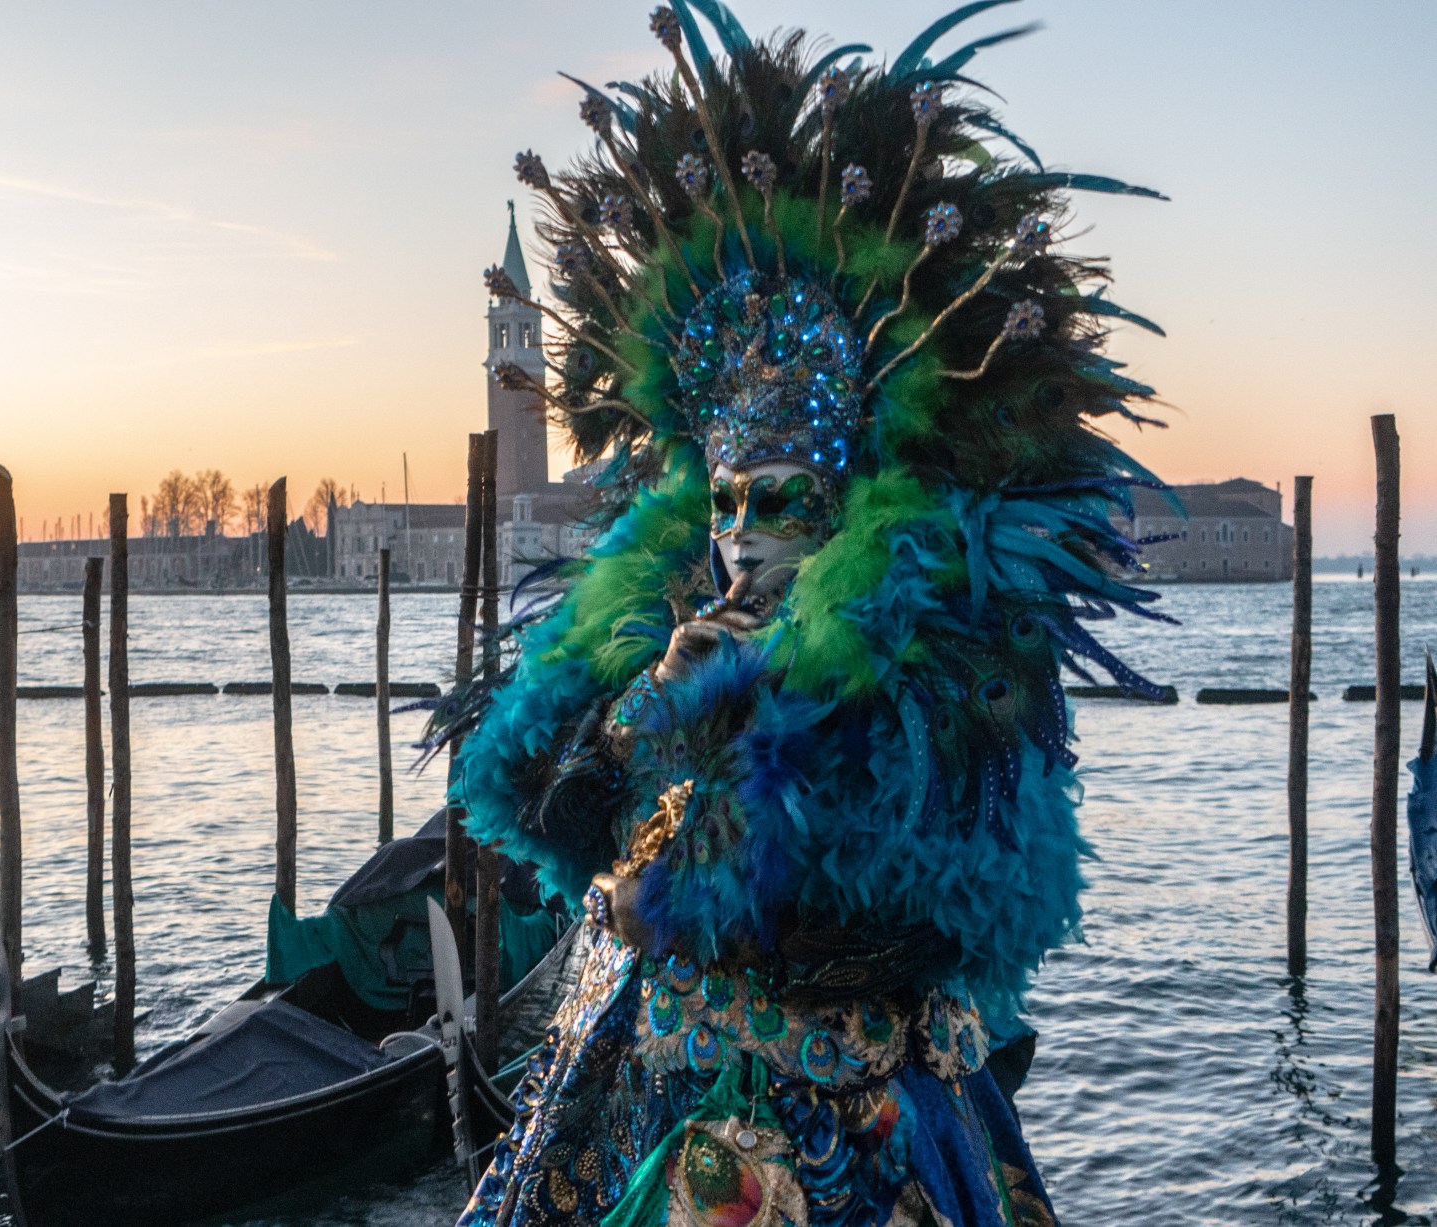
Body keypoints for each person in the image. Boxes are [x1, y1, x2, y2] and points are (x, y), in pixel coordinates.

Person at [446, 4, 1171, 1224]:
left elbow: (939, 904)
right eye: (725, 502)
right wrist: (643, 712)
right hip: (646, 1080)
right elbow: (542, 810)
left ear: (844, 509)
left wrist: (687, 882)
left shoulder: (930, 665)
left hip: (843, 1124)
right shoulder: (658, 623)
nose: (740, 536)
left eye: (779, 502)